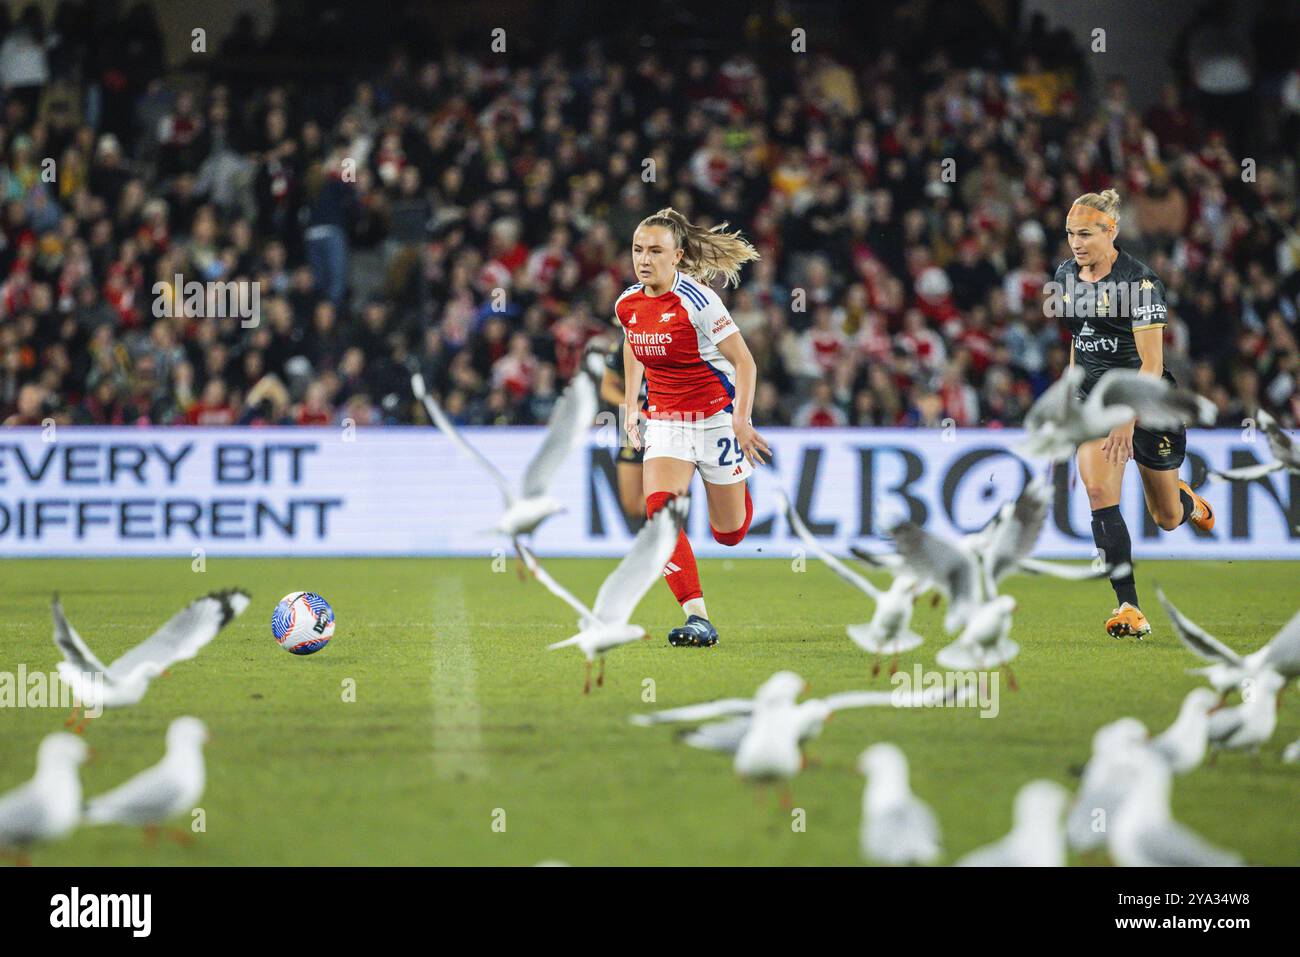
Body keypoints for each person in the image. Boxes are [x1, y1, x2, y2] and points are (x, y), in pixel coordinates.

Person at [1053, 189, 1214, 639]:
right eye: (1070, 234)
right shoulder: (1065, 275)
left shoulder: (1140, 285)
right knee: (1098, 492)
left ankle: (1189, 502)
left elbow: (1150, 365)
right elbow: (1079, 338)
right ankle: (1128, 606)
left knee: (1165, 517)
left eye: (1085, 234)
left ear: (1112, 232)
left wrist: (1127, 419)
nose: (1076, 243)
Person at [618, 208, 768, 648]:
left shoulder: (699, 302)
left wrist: (741, 420)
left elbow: (745, 362)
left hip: (717, 419)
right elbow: (632, 342)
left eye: (655, 251)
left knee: (730, 533)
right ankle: (697, 616)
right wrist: (632, 405)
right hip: (667, 421)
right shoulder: (627, 302)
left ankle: (735, 491)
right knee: (659, 512)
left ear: (678, 255)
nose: (644, 260)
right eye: (637, 250)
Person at [598, 332, 646, 529]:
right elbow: (606, 388)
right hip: (635, 423)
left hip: (668, 420)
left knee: (662, 491)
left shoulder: (672, 339)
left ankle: (667, 548)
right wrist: (631, 404)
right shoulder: (623, 345)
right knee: (632, 505)